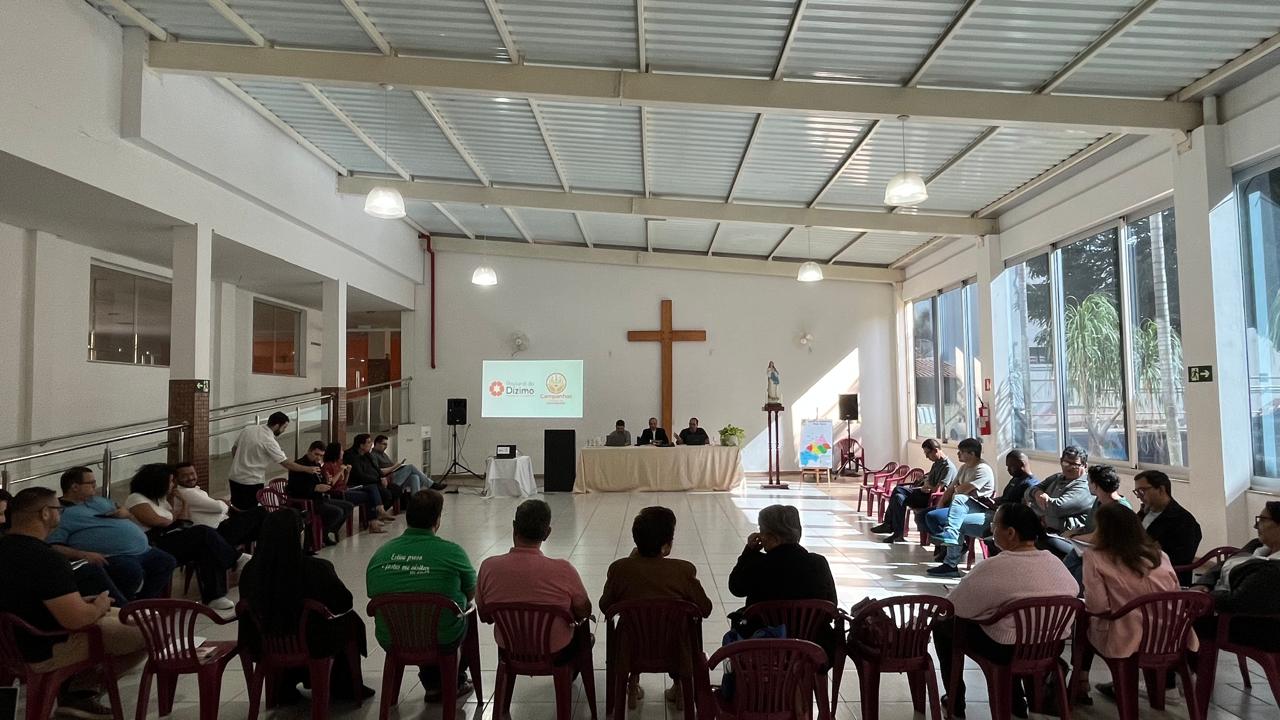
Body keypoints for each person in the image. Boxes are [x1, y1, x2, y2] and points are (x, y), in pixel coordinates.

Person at [0, 487, 146, 719]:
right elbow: (77, 620)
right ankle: (82, 692)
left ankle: (78, 695)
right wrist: (98, 604)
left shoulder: (6, 548)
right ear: (46, 513)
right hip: (46, 645)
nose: (61, 514)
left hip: (10, 643)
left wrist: (82, 603)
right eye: (59, 509)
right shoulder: (46, 558)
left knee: (126, 615)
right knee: (149, 631)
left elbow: (29, 597)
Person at [932, 503, 1079, 719]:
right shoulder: (1054, 561)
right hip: (1049, 646)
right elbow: (1073, 590)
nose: (992, 530)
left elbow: (954, 607)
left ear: (1010, 533)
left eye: (994, 525)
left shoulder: (994, 567)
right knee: (1010, 624)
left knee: (943, 626)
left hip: (1006, 649)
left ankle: (955, 703)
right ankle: (1015, 702)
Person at [238, 509, 373, 706]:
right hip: (311, 643)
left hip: (263, 641)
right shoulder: (316, 568)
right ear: (297, 535)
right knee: (350, 621)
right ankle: (344, 685)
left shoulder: (250, 571)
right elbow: (344, 602)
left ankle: (284, 686)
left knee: (285, 624)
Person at [366, 489, 476, 702]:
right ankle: (454, 681)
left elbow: (373, 593)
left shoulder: (381, 554)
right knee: (461, 614)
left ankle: (433, 684)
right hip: (441, 637)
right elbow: (471, 592)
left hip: (393, 637)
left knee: (416, 617)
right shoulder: (452, 552)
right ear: (437, 520)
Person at [600, 506, 713, 709]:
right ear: (666, 546)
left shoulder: (620, 569)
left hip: (631, 647)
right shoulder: (683, 570)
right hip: (676, 648)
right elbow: (705, 608)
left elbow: (605, 606)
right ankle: (680, 688)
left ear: (636, 540)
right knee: (682, 626)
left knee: (632, 626)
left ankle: (632, 684)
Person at [1075, 502, 1183, 704]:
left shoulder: (1095, 557)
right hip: (1170, 636)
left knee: (1082, 622)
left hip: (1129, 637)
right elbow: (1175, 593)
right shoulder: (1160, 555)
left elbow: (1098, 607)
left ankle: (1080, 683)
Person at [124, 463, 248, 611]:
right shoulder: (136, 498)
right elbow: (155, 520)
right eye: (170, 481)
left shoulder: (161, 499)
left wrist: (183, 502)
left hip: (169, 535)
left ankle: (215, 596)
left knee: (206, 547)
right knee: (203, 532)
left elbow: (184, 519)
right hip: (151, 543)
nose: (172, 485)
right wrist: (171, 519)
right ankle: (235, 559)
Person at [476, 500, 592, 658]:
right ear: (547, 533)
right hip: (555, 650)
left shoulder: (488, 568)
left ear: (514, 527)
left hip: (510, 647)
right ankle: (564, 678)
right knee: (585, 638)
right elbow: (584, 610)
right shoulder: (563, 570)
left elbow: (485, 616)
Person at [728, 504, 838, 663]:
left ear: (772, 536)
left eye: (762, 531)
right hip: (812, 647)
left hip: (765, 646)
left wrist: (749, 552)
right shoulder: (818, 563)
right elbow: (831, 604)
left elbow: (736, 588)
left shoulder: (759, 565)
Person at [49, 467, 177, 602]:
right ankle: (123, 608)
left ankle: (143, 603)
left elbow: (124, 512)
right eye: (91, 483)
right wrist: (83, 555)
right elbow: (53, 546)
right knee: (130, 571)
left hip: (142, 549)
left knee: (166, 562)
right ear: (74, 487)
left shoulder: (98, 501)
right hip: (111, 555)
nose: (95, 486)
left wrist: (124, 513)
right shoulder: (61, 513)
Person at [1190, 501, 1280, 652]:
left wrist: (1203, 596)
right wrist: (1205, 584)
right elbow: (1221, 566)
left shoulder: (1274, 568)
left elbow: (1239, 601)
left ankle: (1176, 670)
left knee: (1181, 623)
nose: (1256, 526)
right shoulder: (1256, 546)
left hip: (1255, 626)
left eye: (1262, 520)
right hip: (1222, 604)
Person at [925, 438, 996, 577]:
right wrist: (940, 505)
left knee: (959, 501)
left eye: (961, 452)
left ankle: (950, 561)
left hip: (979, 508)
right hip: (961, 508)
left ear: (972, 453)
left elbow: (961, 491)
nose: (958, 454)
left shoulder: (983, 469)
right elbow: (952, 488)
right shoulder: (964, 467)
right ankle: (956, 546)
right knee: (930, 516)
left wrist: (958, 489)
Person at [227, 412, 320, 510]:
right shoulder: (269, 441)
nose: (284, 430)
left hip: (234, 476)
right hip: (251, 482)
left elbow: (234, 448)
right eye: (284, 427)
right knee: (250, 512)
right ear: (276, 426)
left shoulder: (248, 429)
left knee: (236, 507)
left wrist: (239, 463)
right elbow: (287, 464)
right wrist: (308, 469)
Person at [871, 439, 958, 543]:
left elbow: (938, 489)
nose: (926, 456)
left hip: (931, 498)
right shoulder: (936, 463)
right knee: (899, 497)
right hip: (924, 492)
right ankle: (897, 533)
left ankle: (889, 524)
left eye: (927, 453)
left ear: (935, 450)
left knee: (898, 489)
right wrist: (925, 482)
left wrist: (928, 485)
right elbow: (929, 479)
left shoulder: (948, 467)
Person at [172, 462, 267, 548]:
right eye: (185, 476)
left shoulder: (191, 491)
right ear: (176, 479)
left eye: (192, 474)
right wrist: (223, 503)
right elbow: (219, 508)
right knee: (261, 512)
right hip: (218, 532)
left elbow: (211, 505)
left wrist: (216, 501)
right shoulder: (187, 493)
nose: (190, 478)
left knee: (262, 528)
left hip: (221, 527)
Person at [1134, 470, 1203, 584]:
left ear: (1161, 489)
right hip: (1139, 568)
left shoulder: (1183, 520)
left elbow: (1181, 559)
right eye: (1136, 492)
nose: (1139, 496)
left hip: (1163, 578)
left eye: (1142, 491)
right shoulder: (1144, 512)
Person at [288, 441, 362, 544]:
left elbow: (321, 482)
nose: (318, 458)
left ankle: (326, 532)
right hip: (307, 500)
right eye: (316, 454)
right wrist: (314, 488)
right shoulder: (298, 465)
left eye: (321, 455)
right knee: (337, 512)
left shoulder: (317, 464)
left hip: (320, 498)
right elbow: (294, 487)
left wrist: (326, 481)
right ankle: (321, 534)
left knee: (348, 506)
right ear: (309, 451)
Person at [1025, 445, 1095, 535]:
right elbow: (1028, 491)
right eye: (1066, 463)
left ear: (1085, 466)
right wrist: (1037, 493)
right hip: (1045, 528)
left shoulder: (1086, 485)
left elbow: (1057, 508)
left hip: (1067, 535)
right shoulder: (1057, 477)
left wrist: (1038, 510)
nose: (1068, 467)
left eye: (1074, 465)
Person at [325, 441, 392, 531]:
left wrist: (347, 472)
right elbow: (331, 484)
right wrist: (340, 471)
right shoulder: (327, 465)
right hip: (338, 493)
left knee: (371, 487)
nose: (343, 452)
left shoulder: (338, 464)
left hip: (345, 489)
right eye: (341, 450)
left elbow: (344, 483)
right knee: (369, 495)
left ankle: (377, 515)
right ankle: (375, 519)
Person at [344, 433, 403, 513]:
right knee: (386, 494)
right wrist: (378, 480)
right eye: (368, 442)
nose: (371, 444)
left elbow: (376, 468)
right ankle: (376, 514)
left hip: (374, 480)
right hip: (360, 482)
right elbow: (359, 475)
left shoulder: (367, 454)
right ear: (361, 445)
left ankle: (380, 513)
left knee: (396, 489)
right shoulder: (351, 456)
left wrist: (382, 477)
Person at [371, 434, 443, 493]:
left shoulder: (383, 454)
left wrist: (398, 466)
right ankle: (431, 484)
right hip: (388, 480)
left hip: (394, 475)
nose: (386, 447)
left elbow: (391, 466)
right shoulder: (373, 455)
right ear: (377, 443)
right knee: (410, 467)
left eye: (386, 445)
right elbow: (379, 472)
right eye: (384, 444)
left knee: (415, 477)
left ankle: (415, 502)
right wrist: (394, 467)